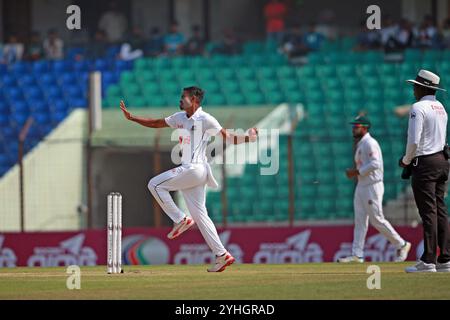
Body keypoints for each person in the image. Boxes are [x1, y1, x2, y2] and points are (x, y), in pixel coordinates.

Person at [119, 87, 258, 272]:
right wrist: (133, 118)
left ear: (193, 99)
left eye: (183, 97)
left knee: (154, 184)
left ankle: (180, 218)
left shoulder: (206, 119)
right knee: (201, 216)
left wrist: (250, 137)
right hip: (193, 174)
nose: (180, 99)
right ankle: (222, 255)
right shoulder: (180, 117)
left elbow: (229, 137)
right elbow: (157, 123)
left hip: (195, 169)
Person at [338, 115, 411, 263]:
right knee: (360, 221)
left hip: (372, 185)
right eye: (354, 126)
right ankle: (357, 254)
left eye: (356, 126)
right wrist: (357, 172)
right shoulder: (361, 144)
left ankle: (401, 244)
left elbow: (376, 163)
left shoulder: (370, 143)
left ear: (365, 128)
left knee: (376, 219)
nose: (353, 128)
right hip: (362, 185)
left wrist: (356, 172)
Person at [400, 70, 450, 273]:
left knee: (428, 212)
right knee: (440, 210)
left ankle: (429, 260)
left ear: (423, 87)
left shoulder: (418, 107)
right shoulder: (441, 108)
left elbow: (414, 140)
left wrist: (406, 160)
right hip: (442, 160)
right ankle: (445, 259)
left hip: (425, 162)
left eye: (415, 86)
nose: (413, 89)